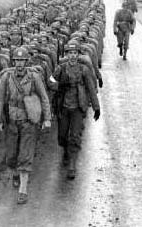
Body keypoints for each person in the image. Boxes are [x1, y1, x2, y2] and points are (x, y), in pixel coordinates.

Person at [0, 47, 52, 204]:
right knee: (11, 155)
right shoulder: (6, 77)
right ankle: (15, 173)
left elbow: (44, 98)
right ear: (14, 61)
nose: (19, 64)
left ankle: (23, 189)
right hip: (12, 121)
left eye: (22, 61)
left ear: (26, 62)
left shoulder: (34, 77)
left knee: (25, 154)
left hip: (28, 121)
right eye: (17, 60)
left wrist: (47, 118)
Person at [51, 42, 100, 180]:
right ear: (66, 55)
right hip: (63, 107)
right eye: (70, 53)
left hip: (78, 107)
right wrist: (59, 85)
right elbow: (49, 82)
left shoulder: (84, 70)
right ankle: (65, 150)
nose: (72, 56)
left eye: (75, 53)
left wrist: (96, 107)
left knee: (75, 136)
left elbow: (90, 88)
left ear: (78, 55)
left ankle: (72, 165)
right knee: (62, 136)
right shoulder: (60, 68)